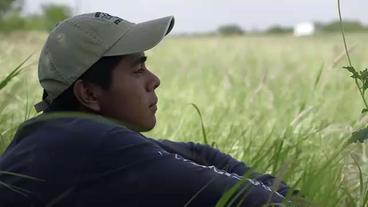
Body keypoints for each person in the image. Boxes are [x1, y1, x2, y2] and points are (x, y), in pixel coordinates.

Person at [0, 12, 296, 207]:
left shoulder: (50, 135)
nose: (154, 80)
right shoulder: (89, 141)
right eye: (138, 69)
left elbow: (198, 153)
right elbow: (246, 200)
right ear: (88, 92)